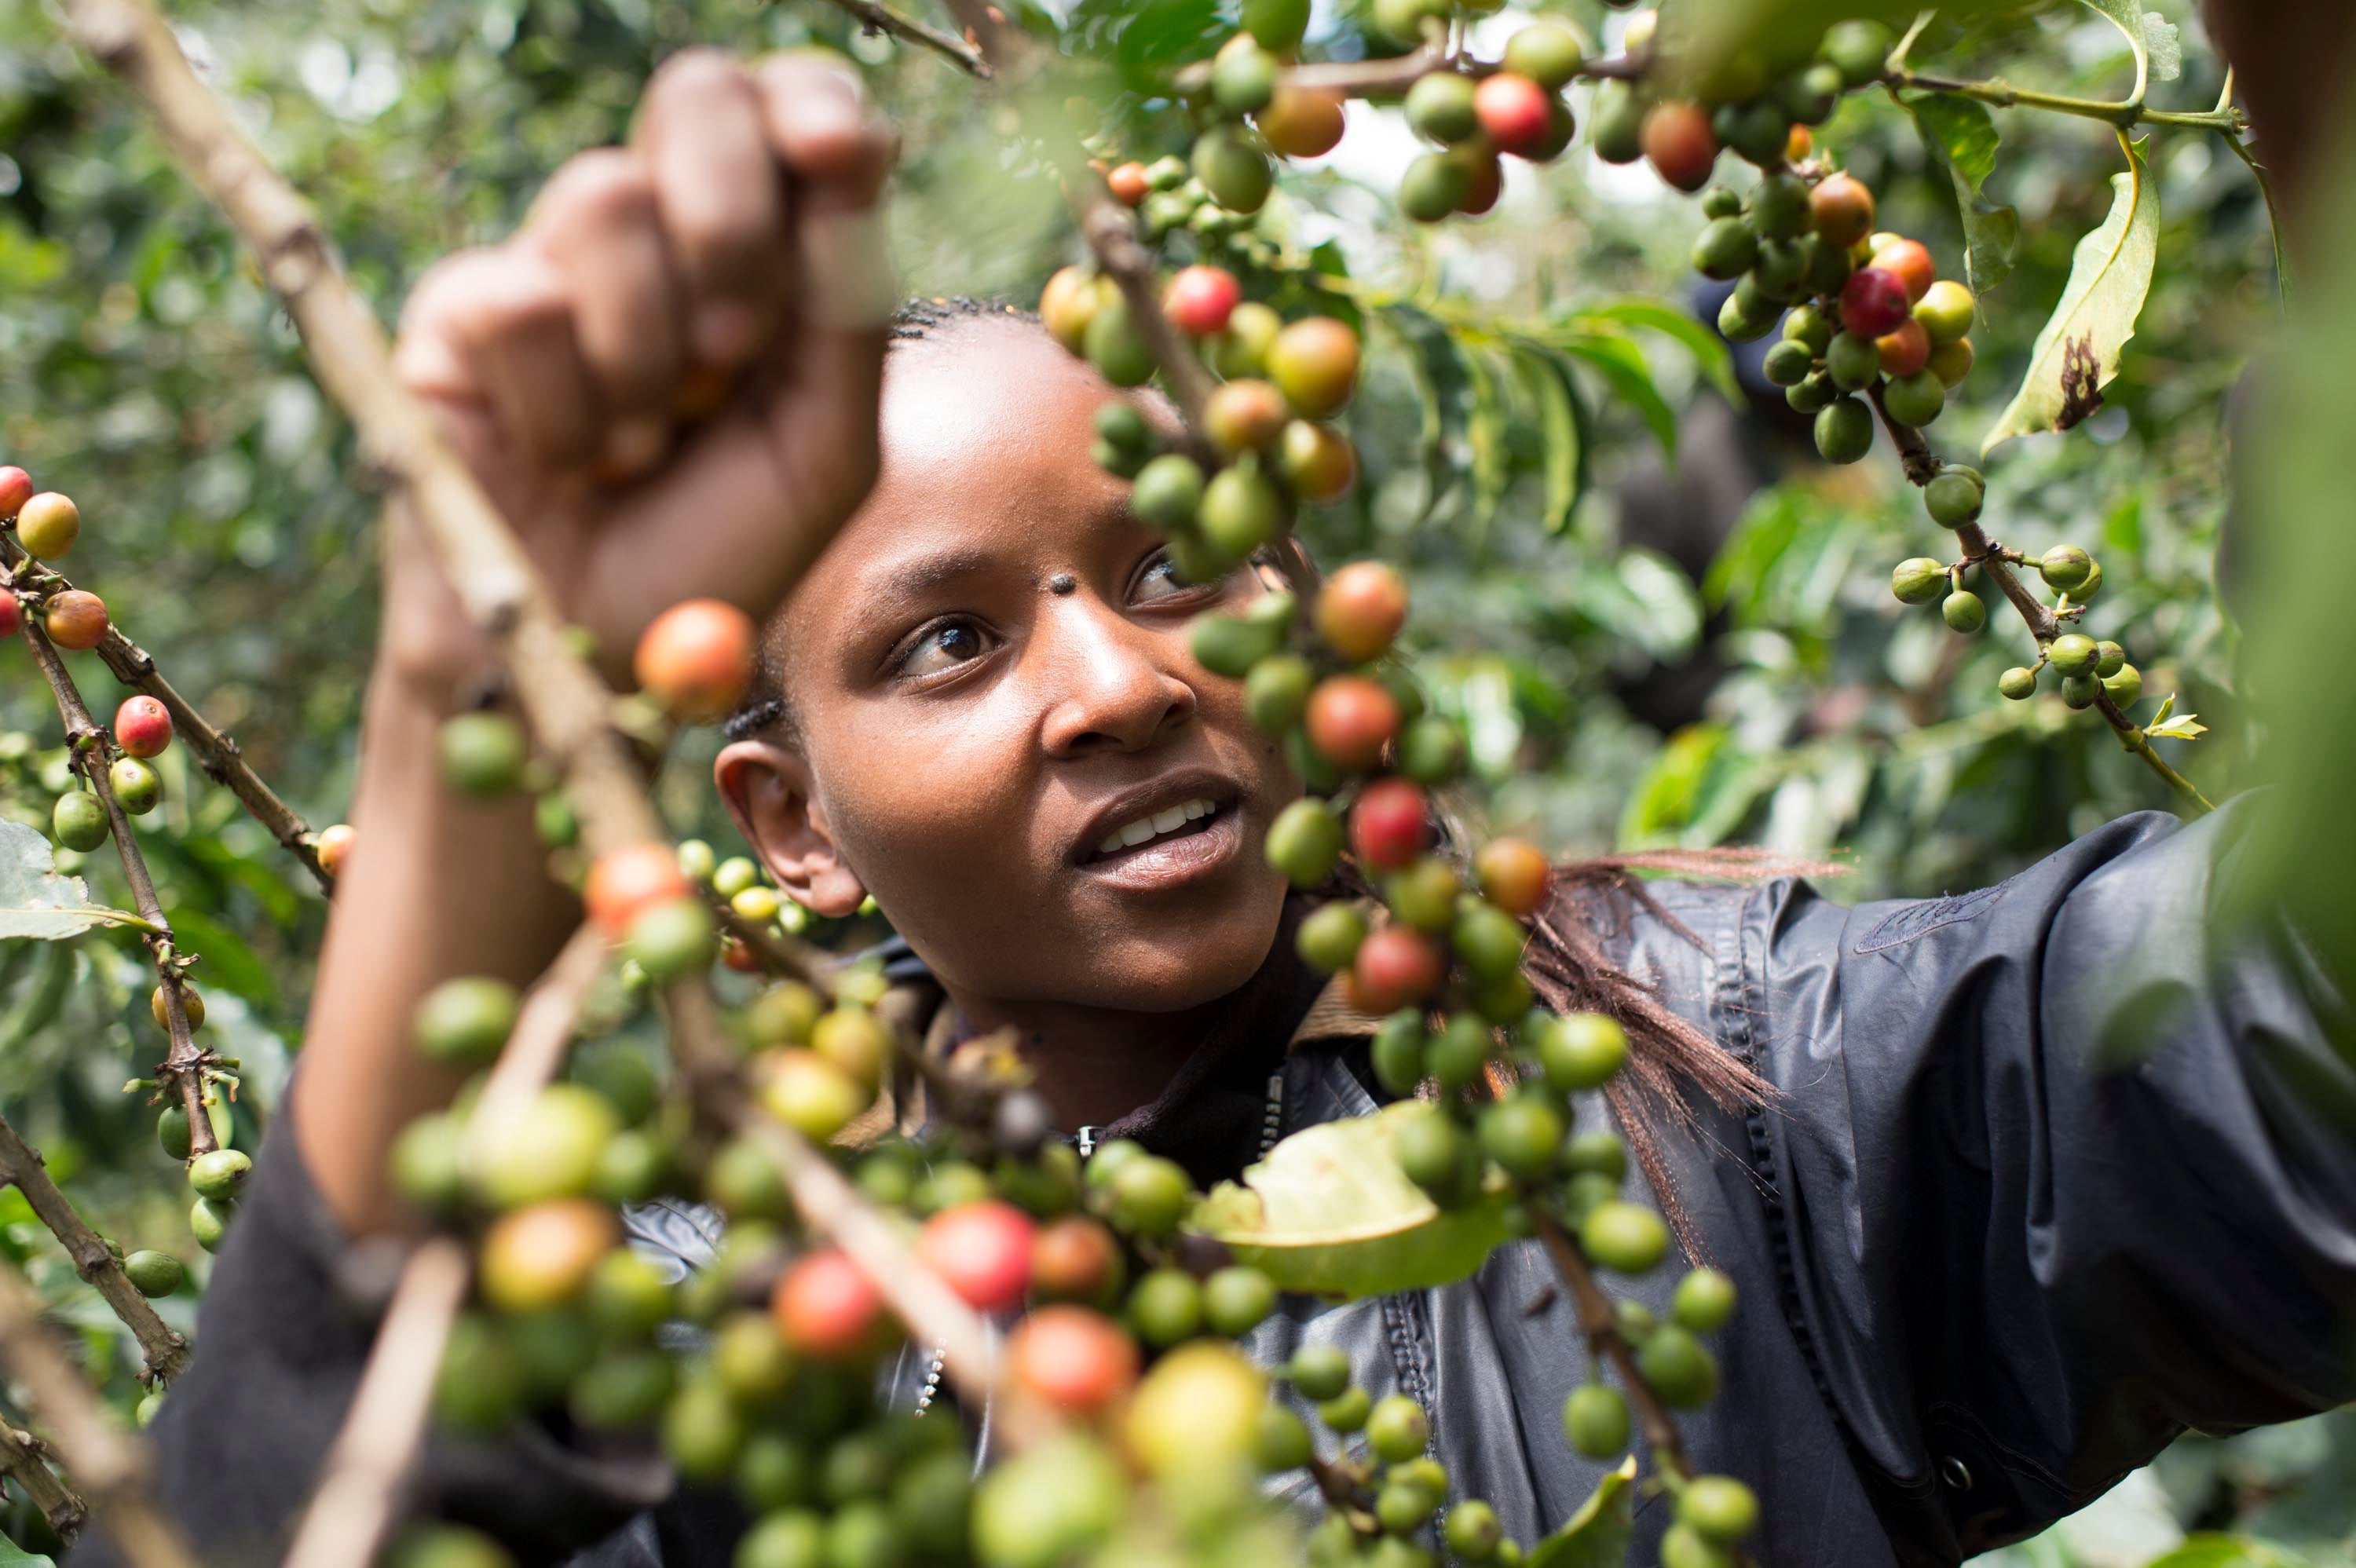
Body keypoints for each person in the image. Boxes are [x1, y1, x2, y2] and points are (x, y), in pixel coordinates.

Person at [80, 47, 2356, 1568]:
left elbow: (2295, 1042)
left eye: (1179, 564)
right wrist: (452, 729)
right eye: (950, 642)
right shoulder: (715, 1318)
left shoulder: (1746, 1086)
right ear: (788, 822)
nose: (1116, 680)